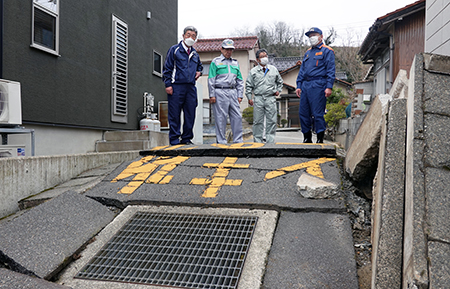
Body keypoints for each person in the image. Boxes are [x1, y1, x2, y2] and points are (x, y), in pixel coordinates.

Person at [162, 26, 203, 145]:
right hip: (176, 86)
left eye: (194, 36)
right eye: (188, 35)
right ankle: (174, 139)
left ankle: (186, 138)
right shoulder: (174, 50)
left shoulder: (195, 54)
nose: (191, 38)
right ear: (183, 35)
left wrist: (199, 71)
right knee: (174, 113)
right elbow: (167, 68)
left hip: (190, 87)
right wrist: (168, 84)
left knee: (190, 113)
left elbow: (200, 66)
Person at [296, 27, 335, 143]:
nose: (312, 37)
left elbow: (331, 70)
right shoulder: (308, 53)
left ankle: (319, 138)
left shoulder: (327, 51)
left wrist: (329, 86)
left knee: (318, 113)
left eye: (314, 34)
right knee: (303, 112)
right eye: (310, 35)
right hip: (306, 85)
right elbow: (302, 70)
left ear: (321, 36)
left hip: (319, 84)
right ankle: (307, 137)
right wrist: (298, 85)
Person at [208, 39, 244, 144]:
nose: (229, 52)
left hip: (233, 91)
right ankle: (221, 141)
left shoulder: (235, 63)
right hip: (220, 91)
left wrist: (240, 95)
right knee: (220, 117)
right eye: (227, 49)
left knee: (237, 116)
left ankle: (238, 140)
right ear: (222, 49)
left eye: (231, 50)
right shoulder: (215, 62)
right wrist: (211, 94)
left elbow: (240, 80)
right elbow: (211, 79)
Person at [245, 48, 283, 143]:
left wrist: (278, 90)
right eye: (262, 57)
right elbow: (248, 85)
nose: (264, 58)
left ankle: (270, 140)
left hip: (270, 97)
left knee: (272, 120)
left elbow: (280, 82)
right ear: (258, 59)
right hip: (258, 98)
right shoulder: (253, 71)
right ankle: (257, 141)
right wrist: (249, 97)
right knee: (258, 121)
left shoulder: (273, 69)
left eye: (265, 56)